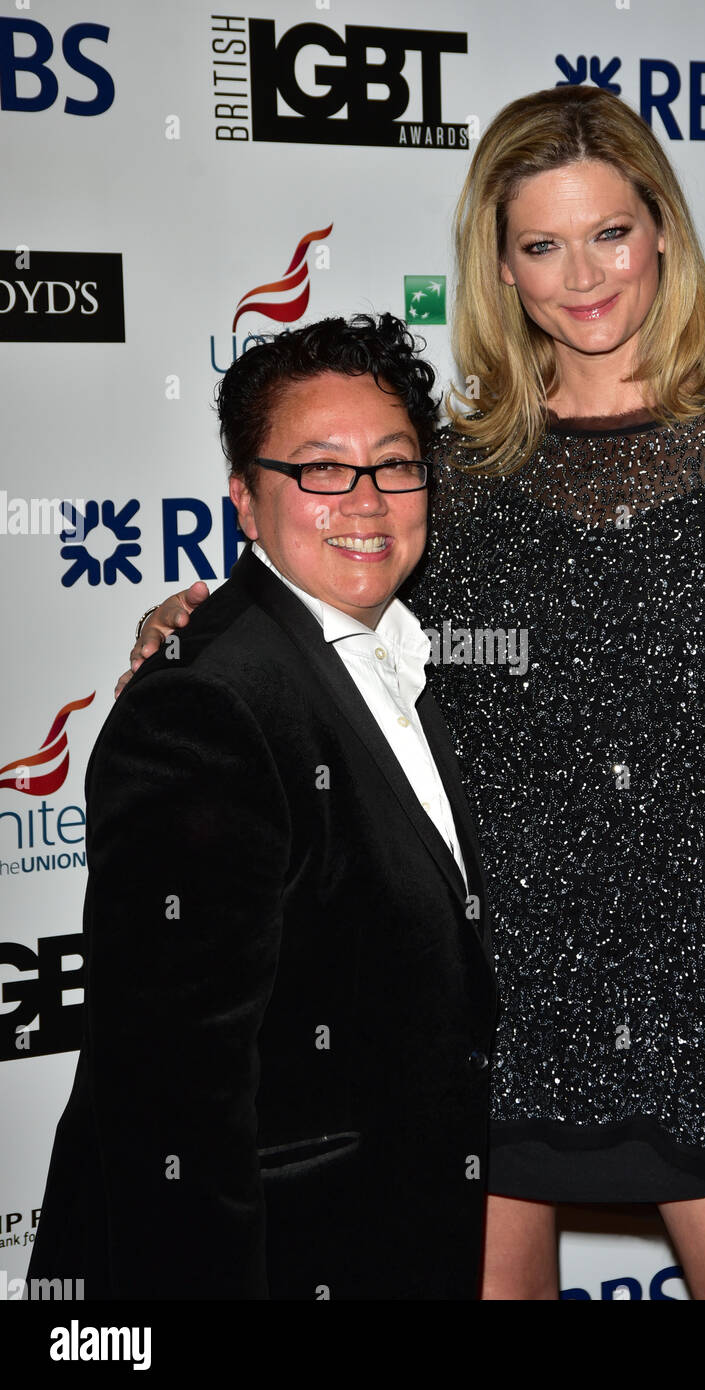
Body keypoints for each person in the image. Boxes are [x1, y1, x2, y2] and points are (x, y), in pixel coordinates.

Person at [120, 86, 705, 1301]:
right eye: (542, 244)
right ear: (502, 266)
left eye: (610, 232)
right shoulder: (455, 472)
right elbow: (335, 616)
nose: (584, 275)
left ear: (663, 232)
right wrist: (202, 617)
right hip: (494, 991)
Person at [29, 313, 496, 1301]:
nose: (365, 500)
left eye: (394, 464)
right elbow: (169, 1110)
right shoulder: (207, 707)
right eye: (320, 470)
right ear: (245, 501)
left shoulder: (412, 657)